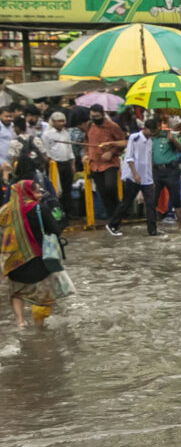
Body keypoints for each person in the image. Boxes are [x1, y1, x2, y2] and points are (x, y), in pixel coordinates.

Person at [0, 180, 66, 328]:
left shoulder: (4, 210)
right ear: (27, 192)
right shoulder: (38, 209)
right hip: (38, 260)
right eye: (36, 191)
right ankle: (39, 326)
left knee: (16, 292)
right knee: (42, 297)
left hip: (13, 262)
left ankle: (20, 321)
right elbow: (55, 230)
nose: (40, 194)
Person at [107, 118, 158, 237]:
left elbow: (148, 160)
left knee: (151, 203)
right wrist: (135, 174)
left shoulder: (150, 140)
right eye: (151, 131)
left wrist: (151, 178)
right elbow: (129, 157)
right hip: (133, 176)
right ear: (145, 129)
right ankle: (112, 224)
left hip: (146, 178)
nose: (152, 134)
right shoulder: (134, 138)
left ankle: (152, 230)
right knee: (127, 202)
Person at [81, 105, 125, 233]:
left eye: (98, 117)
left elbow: (122, 142)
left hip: (110, 163)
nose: (95, 119)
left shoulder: (113, 126)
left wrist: (112, 152)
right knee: (103, 192)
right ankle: (113, 219)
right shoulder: (89, 126)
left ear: (103, 114)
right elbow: (86, 142)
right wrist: (86, 155)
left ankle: (117, 214)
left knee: (111, 187)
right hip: (95, 163)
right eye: (93, 117)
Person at [151, 120, 181, 226]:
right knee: (153, 198)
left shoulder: (168, 135)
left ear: (159, 126)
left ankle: (180, 224)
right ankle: (153, 224)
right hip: (156, 171)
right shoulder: (150, 138)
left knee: (176, 197)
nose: (153, 131)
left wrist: (173, 140)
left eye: (155, 128)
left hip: (171, 170)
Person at [40, 113, 77, 218]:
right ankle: (58, 213)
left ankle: (69, 212)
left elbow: (69, 149)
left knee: (67, 188)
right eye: (59, 121)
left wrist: (72, 163)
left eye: (63, 121)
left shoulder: (65, 133)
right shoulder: (47, 134)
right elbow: (45, 150)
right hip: (54, 164)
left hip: (66, 163)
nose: (61, 123)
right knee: (56, 189)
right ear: (53, 122)